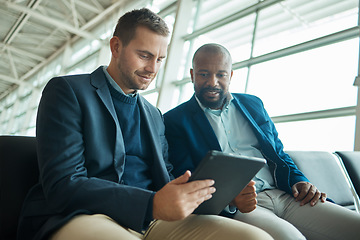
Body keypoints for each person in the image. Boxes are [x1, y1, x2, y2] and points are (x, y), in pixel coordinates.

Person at [17, 9, 273, 240]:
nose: (152, 68)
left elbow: (167, 178)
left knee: (255, 238)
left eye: (160, 59)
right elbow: (64, 184)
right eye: (144, 55)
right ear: (116, 47)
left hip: (152, 219)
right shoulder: (68, 91)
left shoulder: (153, 114)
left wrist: (225, 196)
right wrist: (150, 204)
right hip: (85, 215)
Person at [163, 43, 360, 240]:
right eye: (204, 74)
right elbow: (186, 177)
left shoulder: (253, 104)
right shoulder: (175, 120)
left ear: (230, 75)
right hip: (242, 208)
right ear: (192, 74)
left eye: (221, 75)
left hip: (286, 195)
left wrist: (300, 180)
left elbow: (279, 153)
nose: (212, 82)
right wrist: (229, 198)